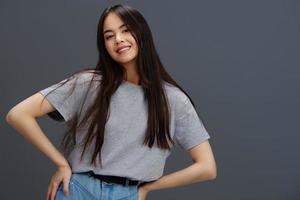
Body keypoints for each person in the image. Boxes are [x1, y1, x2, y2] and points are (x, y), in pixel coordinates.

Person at [5, 4, 217, 200]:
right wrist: (61, 164)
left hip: (127, 195)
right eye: (109, 36)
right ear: (104, 45)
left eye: (125, 30)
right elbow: (18, 114)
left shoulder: (172, 100)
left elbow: (207, 167)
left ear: (142, 33)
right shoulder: (88, 83)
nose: (118, 39)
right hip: (77, 190)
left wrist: (146, 188)